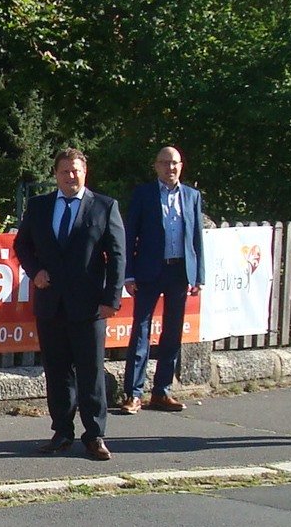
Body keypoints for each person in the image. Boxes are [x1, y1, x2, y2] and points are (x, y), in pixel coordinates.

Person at [14, 147, 127, 461]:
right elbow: (22, 245)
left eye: (75, 170)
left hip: (89, 306)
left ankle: (95, 436)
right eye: (64, 171)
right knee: (57, 371)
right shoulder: (39, 206)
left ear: (85, 172)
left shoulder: (104, 206)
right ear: (56, 174)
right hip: (51, 304)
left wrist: (111, 299)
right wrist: (35, 272)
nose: (70, 176)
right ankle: (62, 432)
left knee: (91, 372)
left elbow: (117, 256)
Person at [119, 146, 205, 414]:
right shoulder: (143, 194)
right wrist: (128, 273)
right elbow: (130, 234)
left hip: (179, 272)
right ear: (156, 166)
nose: (171, 168)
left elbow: (196, 237)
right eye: (165, 163)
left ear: (181, 166)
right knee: (141, 330)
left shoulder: (191, 196)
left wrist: (198, 276)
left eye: (175, 163)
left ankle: (162, 392)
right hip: (148, 271)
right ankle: (133, 394)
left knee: (173, 332)